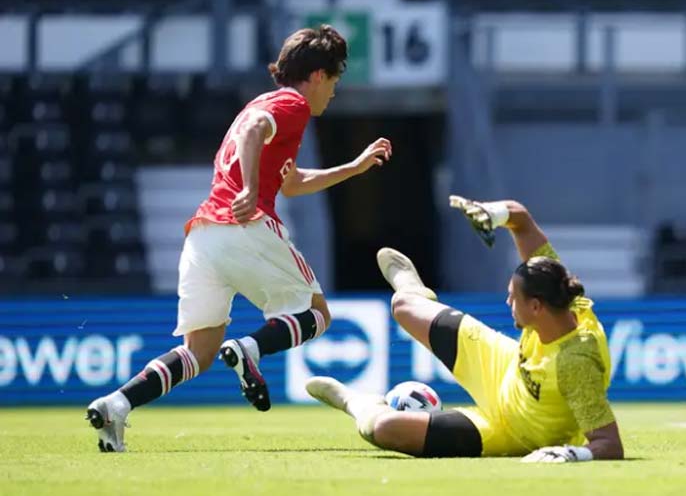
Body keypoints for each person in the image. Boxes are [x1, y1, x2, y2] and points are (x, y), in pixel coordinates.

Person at [86, 24, 393, 452]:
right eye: (336, 81)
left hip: (203, 238)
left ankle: (116, 404)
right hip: (244, 227)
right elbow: (254, 138)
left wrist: (352, 168)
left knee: (199, 352)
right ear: (319, 75)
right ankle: (250, 349)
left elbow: (290, 181)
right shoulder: (292, 103)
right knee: (317, 313)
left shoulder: (261, 105)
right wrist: (250, 188)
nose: (334, 93)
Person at [306, 195, 624, 463]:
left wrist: (570, 454)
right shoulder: (557, 288)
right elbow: (522, 220)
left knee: (382, 428)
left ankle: (352, 400)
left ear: (537, 307)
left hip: (508, 430)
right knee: (402, 306)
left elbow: (609, 443)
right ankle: (416, 292)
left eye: (514, 298)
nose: (507, 301)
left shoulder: (575, 362)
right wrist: (493, 213)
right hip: (502, 366)